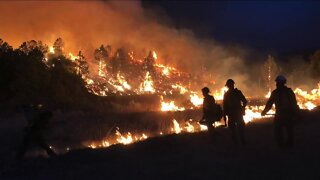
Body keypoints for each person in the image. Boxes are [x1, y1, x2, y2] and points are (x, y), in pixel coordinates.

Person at [261, 75, 299, 148]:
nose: (276, 84)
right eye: (277, 83)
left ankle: (286, 145)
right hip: (282, 114)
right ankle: (284, 145)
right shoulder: (278, 92)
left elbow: (293, 103)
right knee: (281, 130)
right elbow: (270, 103)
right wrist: (264, 111)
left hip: (285, 114)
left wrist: (296, 112)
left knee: (286, 130)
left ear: (281, 83)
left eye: (278, 83)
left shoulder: (286, 92)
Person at [223, 79, 247, 145]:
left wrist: (225, 115)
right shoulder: (237, 92)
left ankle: (236, 143)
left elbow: (225, 106)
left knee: (233, 130)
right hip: (237, 113)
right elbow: (245, 101)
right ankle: (242, 142)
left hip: (232, 114)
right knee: (240, 129)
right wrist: (243, 107)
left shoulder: (226, 94)